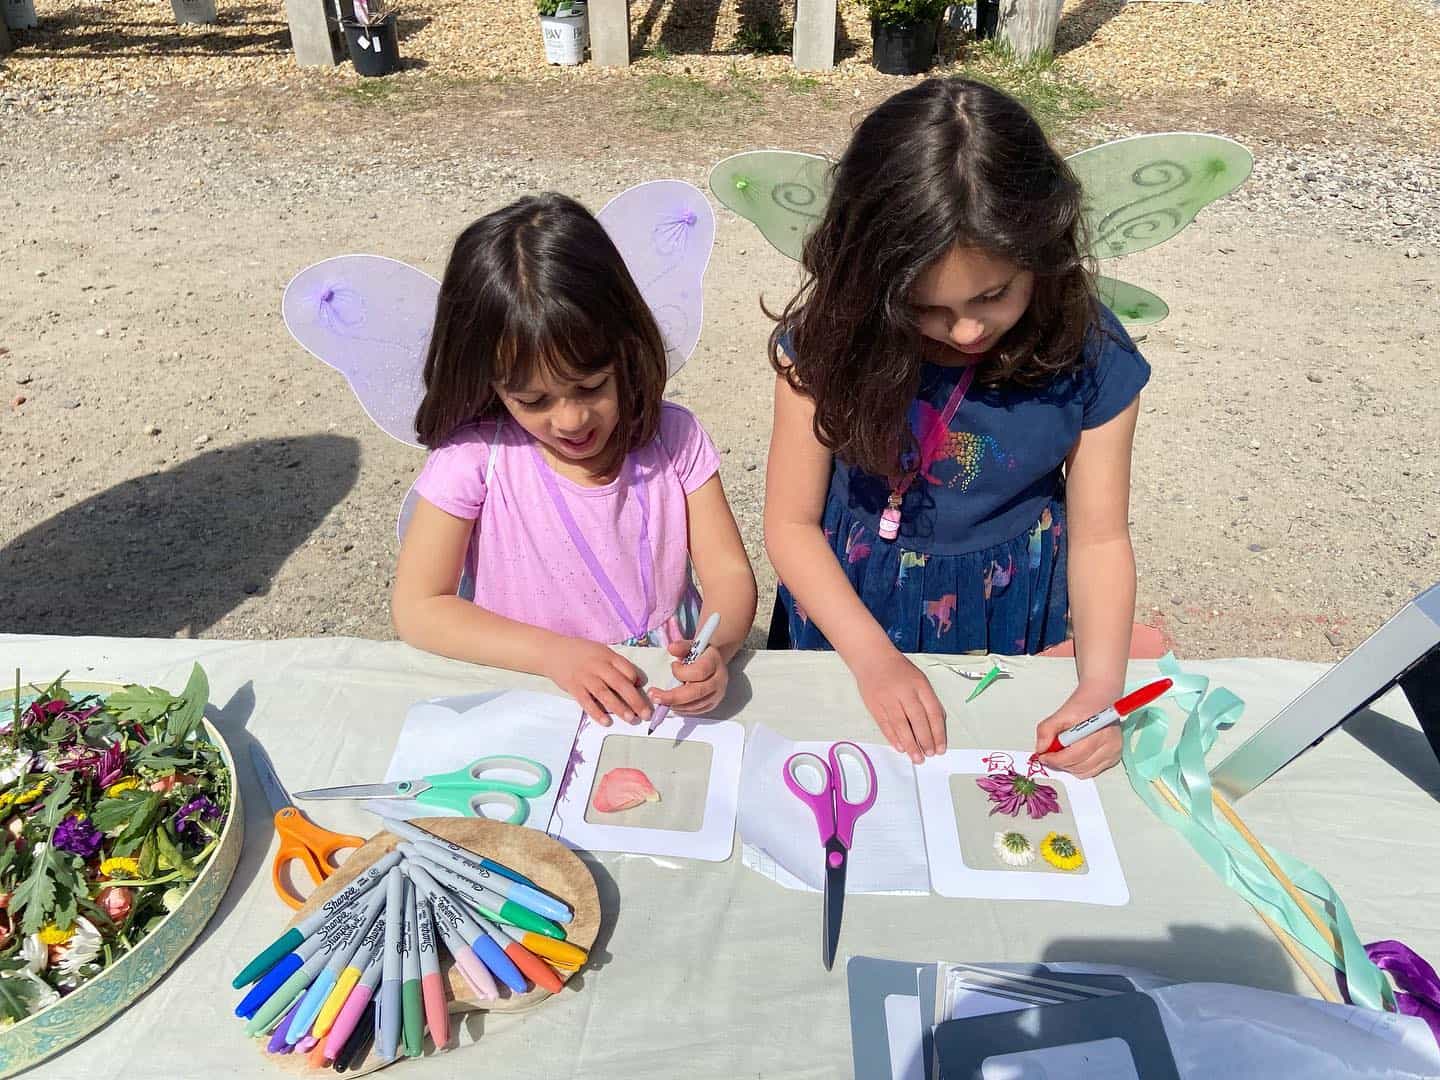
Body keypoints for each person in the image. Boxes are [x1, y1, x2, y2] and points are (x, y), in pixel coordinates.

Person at [763, 78, 1150, 778]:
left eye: (993, 295)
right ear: (869, 280)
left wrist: (1099, 687)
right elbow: (790, 526)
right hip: (850, 610)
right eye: (926, 307)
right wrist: (872, 657)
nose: (967, 330)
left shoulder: (1091, 351)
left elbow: (1100, 538)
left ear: (1042, 248)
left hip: (1009, 603)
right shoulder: (832, 341)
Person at [392, 193, 757, 726]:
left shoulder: (674, 438)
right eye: (533, 400)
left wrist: (716, 652)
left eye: (590, 387)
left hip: (663, 700)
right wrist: (554, 654)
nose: (569, 420)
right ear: (487, 379)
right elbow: (420, 608)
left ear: (626, 349)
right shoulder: (474, 460)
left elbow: (727, 572)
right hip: (533, 695)